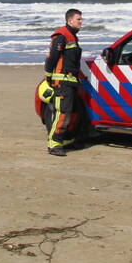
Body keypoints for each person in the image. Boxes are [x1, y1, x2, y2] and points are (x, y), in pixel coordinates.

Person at [44, 8, 84, 156]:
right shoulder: (62, 36)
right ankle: (54, 143)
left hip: (71, 81)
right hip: (62, 82)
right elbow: (52, 58)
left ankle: (66, 140)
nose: (81, 22)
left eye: (81, 19)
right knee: (62, 113)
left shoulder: (72, 36)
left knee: (73, 113)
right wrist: (49, 77)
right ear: (69, 20)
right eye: (78, 19)